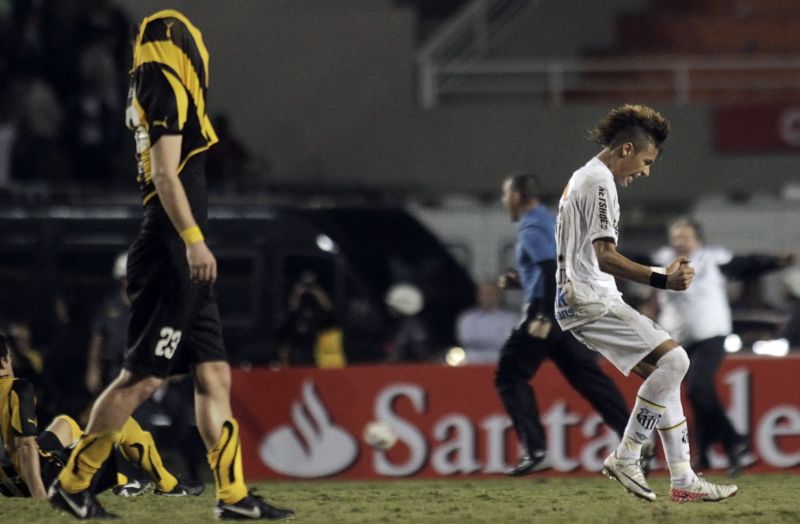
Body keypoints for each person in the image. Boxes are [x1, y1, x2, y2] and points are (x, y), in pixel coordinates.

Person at [48, 10, 294, 520]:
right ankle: (72, 483)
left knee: (215, 375)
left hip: (177, 251)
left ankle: (232, 497)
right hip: (169, 249)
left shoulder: (155, 83)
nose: (200, 54)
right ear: (176, 44)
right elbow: (164, 174)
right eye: (192, 43)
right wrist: (194, 240)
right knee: (141, 379)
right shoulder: (161, 81)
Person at [554, 104, 737, 502]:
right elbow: (605, 256)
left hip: (579, 298)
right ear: (625, 150)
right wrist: (662, 278)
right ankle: (627, 455)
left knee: (665, 377)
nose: (646, 171)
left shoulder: (585, 177)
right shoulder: (599, 182)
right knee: (677, 361)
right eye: (646, 161)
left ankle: (683, 480)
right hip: (590, 298)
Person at [494, 173, 631, 476]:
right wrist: (521, 281)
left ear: (516, 196)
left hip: (548, 313)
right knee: (588, 378)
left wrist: (542, 313)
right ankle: (633, 438)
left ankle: (536, 450)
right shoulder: (552, 221)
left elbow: (548, 267)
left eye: (506, 195)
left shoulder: (531, 225)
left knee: (510, 376)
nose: (504, 201)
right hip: (568, 312)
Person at [649, 217, 796, 475]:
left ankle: (734, 441)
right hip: (679, 340)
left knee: (698, 387)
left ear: (698, 240)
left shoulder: (712, 259)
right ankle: (706, 453)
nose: (678, 242)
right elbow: (631, 261)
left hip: (712, 335)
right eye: (675, 237)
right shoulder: (662, 260)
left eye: (684, 237)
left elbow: (747, 265)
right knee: (696, 395)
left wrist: (777, 261)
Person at [0, 333, 201, 499]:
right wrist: (39, 497)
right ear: (4, 360)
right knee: (119, 419)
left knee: (65, 423)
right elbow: (25, 446)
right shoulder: (16, 388)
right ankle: (167, 484)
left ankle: (121, 480)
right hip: (43, 481)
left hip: (11, 485)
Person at [455, 280, 517, 364]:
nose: (488, 297)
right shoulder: (466, 317)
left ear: (499, 296)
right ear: (478, 296)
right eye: (484, 294)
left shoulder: (510, 319)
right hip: (472, 360)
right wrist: (492, 341)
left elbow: (506, 342)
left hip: (498, 360)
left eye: (491, 293)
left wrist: (480, 342)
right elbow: (465, 340)